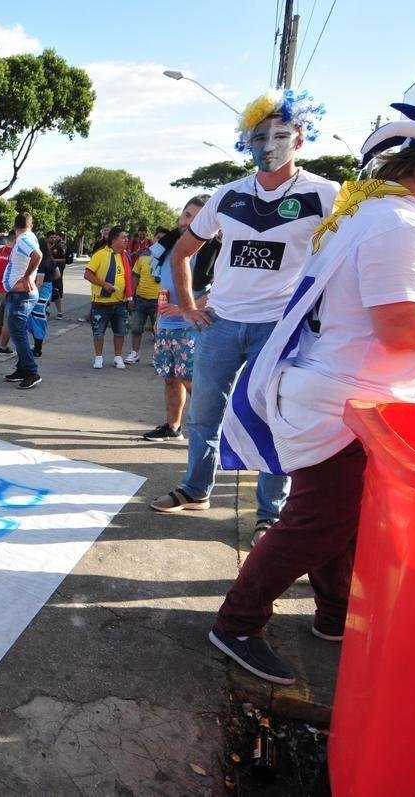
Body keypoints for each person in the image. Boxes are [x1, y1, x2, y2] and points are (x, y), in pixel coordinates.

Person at [210, 100, 415, 685]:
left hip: (337, 391)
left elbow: (389, 313)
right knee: (318, 522)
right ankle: (237, 621)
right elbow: (404, 328)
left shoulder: (372, 215)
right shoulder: (400, 227)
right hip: (345, 400)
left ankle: (335, 615)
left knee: (338, 519)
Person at [148, 88, 339, 545]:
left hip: (280, 328)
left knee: (277, 419)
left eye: (280, 135)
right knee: (204, 414)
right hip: (221, 325)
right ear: (245, 143)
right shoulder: (228, 195)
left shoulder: (325, 194)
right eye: (258, 137)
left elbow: (349, 252)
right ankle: (196, 490)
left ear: (299, 140)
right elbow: (182, 252)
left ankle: (269, 515)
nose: (268, 145)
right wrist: (191, 307)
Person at [142, 195, 215, 441]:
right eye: (187, 215)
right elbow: (161, 282)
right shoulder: (167, 246)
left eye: (197, 217)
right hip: (165, 324)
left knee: (193, 381)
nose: (189, 222)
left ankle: (205, 431)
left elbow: (220, 289)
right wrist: (162, 311)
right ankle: (172, 427)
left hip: (194, 326)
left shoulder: (215, 248)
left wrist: (187, 308)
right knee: (171, 378)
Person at [2, 212, 43, 389]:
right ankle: (22, 369)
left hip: (22, 295)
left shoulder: (24, 239)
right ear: (31, 225)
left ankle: (32, 371)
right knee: (20, 332)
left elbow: (37, 255)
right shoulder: (30, 237)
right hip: (20, 294)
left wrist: (27, 277)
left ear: (14, 226)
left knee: (18, 333)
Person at [84, 227, 133, 369]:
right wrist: (104, 284)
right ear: (114, 239)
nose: (126, 240)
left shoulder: (125, 256)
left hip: (120, 302)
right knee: (98, 332)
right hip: (101, 302)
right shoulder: (100, 254)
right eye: (123, 237)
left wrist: (130, 297)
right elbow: (88, 274)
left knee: (120, 331)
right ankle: (98, 357)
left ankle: (118, 357)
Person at [126, 235, 162, 364]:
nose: (160, 240)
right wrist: (131, 297)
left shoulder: (170, 256)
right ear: (153, 239)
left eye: (164, 238)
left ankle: (156, 356)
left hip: (159, 300)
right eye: (158, 238)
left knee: (158, 330)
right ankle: (135, 353)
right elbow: (135, 277)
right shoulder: (143, 256)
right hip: (141, 298)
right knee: (136, 328)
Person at [28, 233, 58, 358]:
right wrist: (49, 282)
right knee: (41, 319)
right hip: (48, 291)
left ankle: (37, 348)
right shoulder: (51, 261)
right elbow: (58, 275)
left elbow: (39, 282)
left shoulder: (41, 263)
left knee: (36, 320)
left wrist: (31, 293)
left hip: (39, 294)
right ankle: (37, 346)